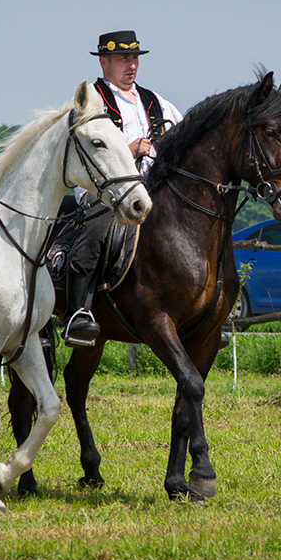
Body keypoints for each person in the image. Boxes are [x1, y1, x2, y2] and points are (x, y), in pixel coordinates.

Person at [63, 30, 183, 346]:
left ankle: (204, 313)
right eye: (123, 59)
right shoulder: (90, 100)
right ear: (104, 62)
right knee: (95, 231)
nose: (131, 65)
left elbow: (183, 140)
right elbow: (82, 149)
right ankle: (78, 313)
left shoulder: (157, 102)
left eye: (134, 58)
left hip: (151, 192)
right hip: (104, 193)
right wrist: (129, 149)